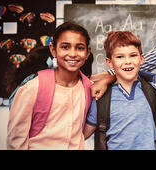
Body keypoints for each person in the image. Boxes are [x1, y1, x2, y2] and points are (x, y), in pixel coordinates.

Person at [6, 21, 93, 150]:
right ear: (53, 50)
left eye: (80, 48)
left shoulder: (87, 87)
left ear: (87, 52)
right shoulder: (33, 88)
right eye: (65, 47)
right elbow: (16, 142)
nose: (73, 54)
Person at [83, 31, 156, 150]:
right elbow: (82, 136)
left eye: (133, 55)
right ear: (109, 62)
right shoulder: (101, 98)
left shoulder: (154, 91)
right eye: (120, 57)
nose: (127, 61)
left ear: (142, 59)